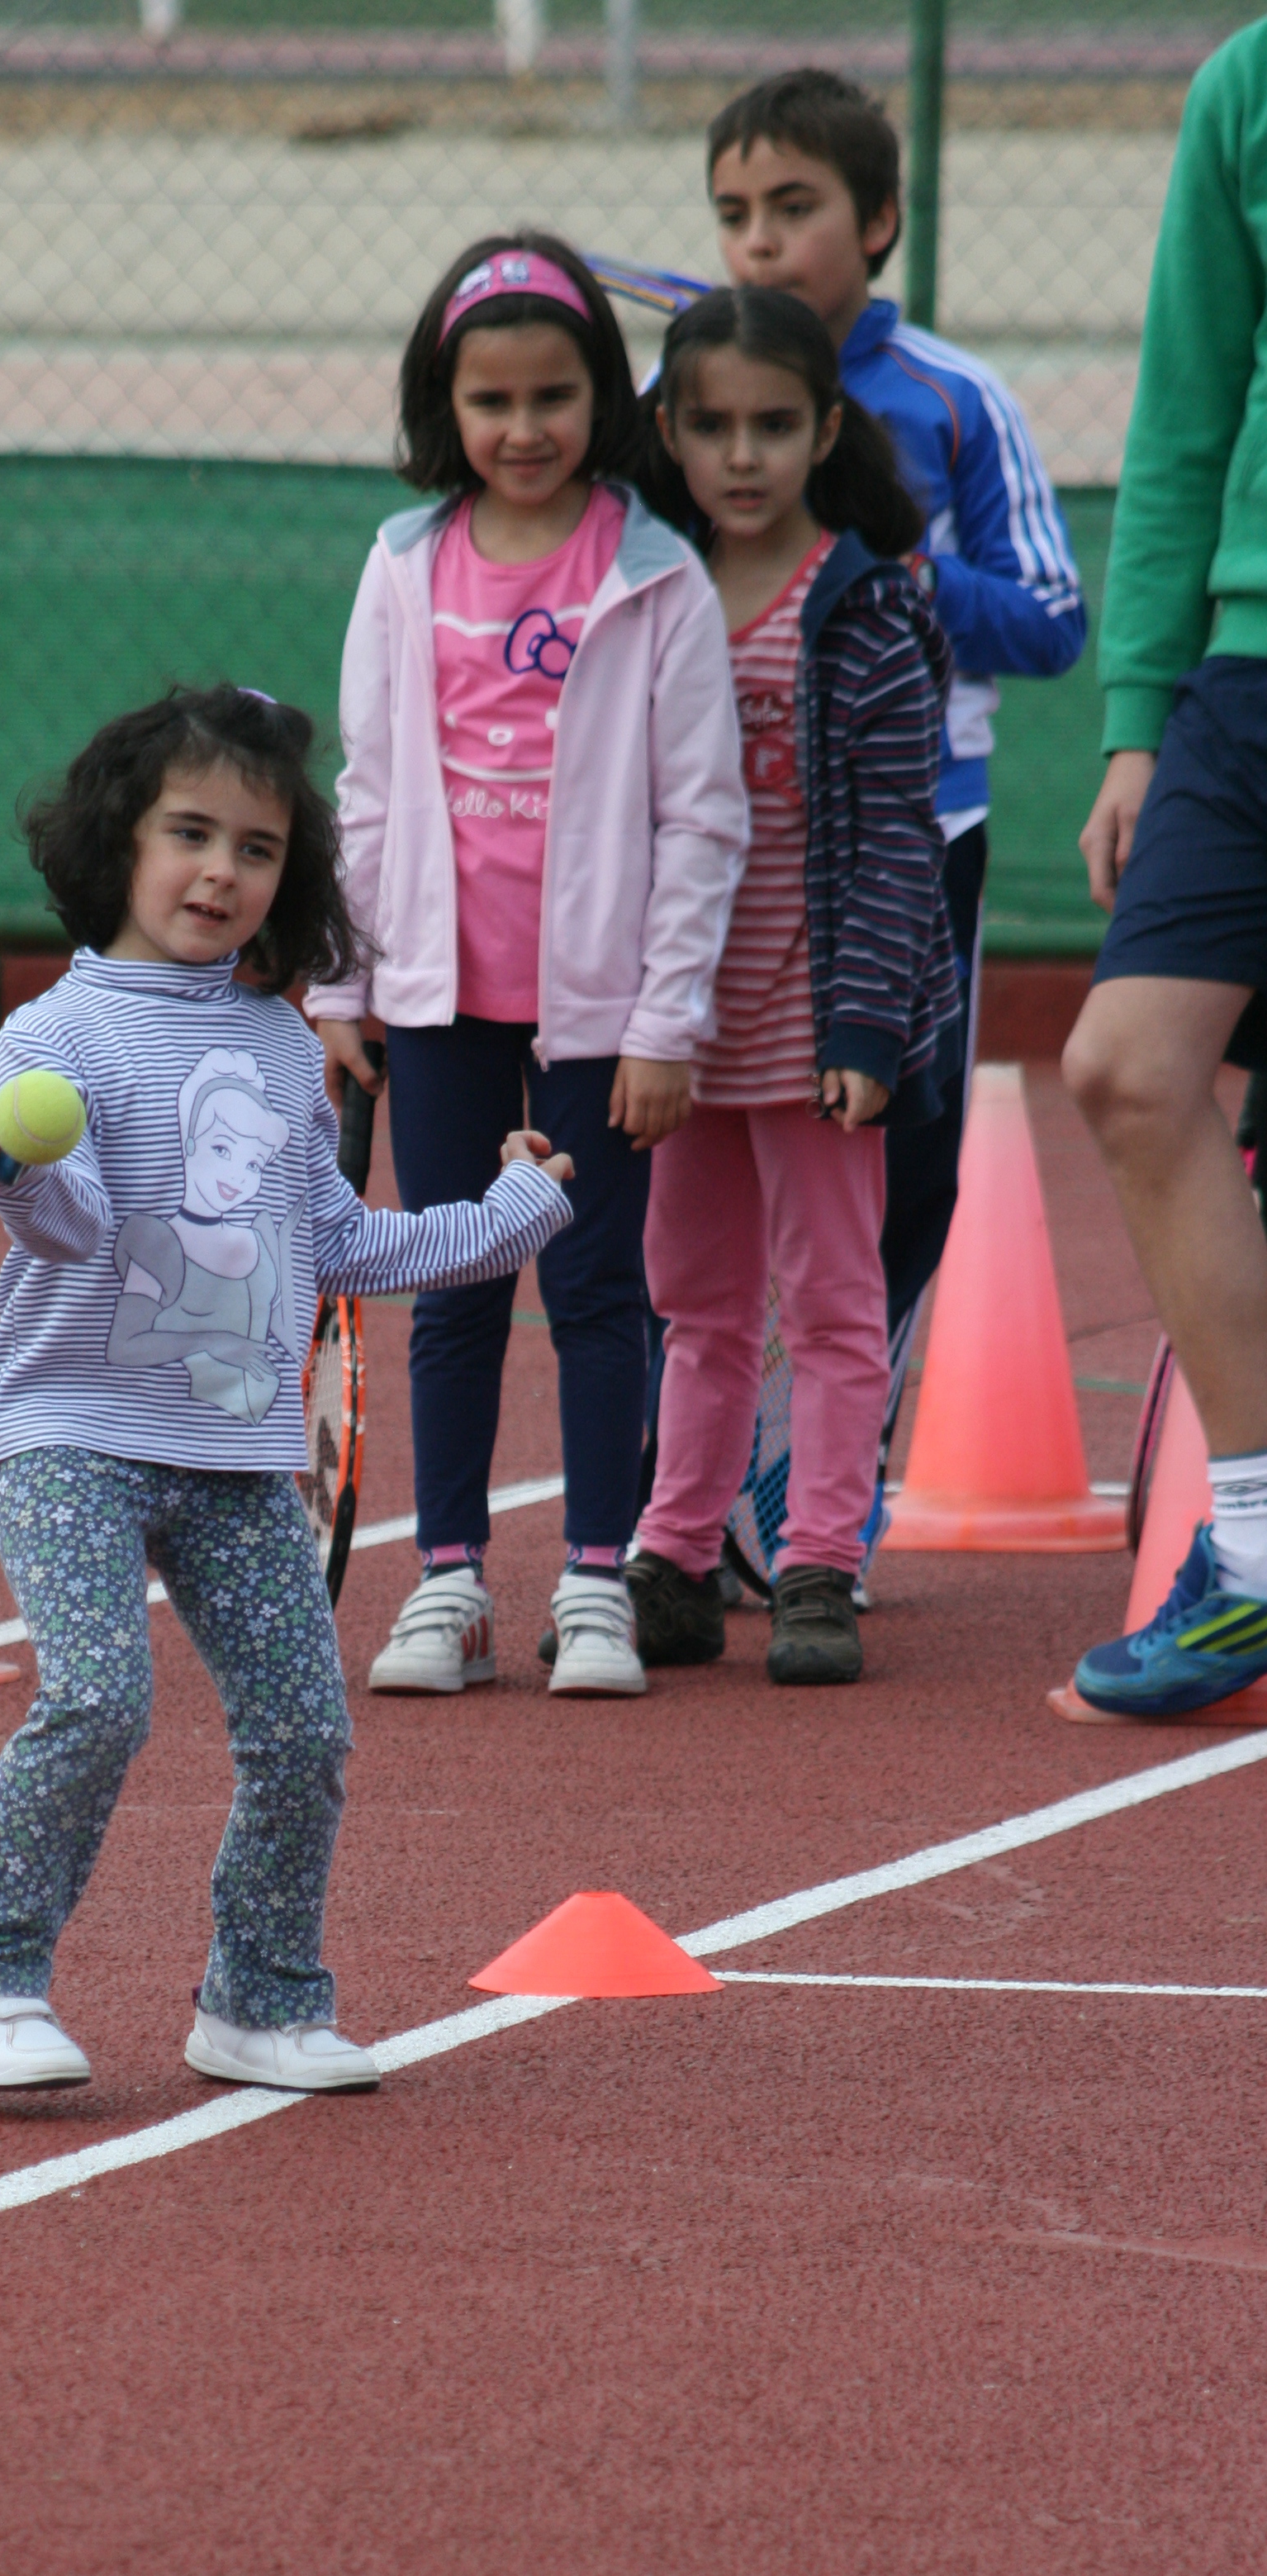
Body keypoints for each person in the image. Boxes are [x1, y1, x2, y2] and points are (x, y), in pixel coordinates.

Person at [0, 685, 576, 2095]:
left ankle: (258, 2002)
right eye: (189, 834)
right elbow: (82, 1226)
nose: (221, 871)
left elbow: (334, 1248)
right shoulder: (55, 1037)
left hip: (237, 1456)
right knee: (99, 1700)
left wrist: (513, 1216)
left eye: (257, 849)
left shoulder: (279, 1046)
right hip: (71, 1433)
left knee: (304, 1732)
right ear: (118, 843)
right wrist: (12, 1175)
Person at [306, 232, 746, 1701]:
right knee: (456, 1288)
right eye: (490, 400)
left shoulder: (658, 575)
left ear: (603, 395)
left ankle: (597, 1582)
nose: (524, 427)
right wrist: (342, 986)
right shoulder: (401, 564)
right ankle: (448, 1586)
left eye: (553, 395)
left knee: (601, 1289)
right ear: (446, 406)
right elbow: (369, 794)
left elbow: (702, 819)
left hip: (601, 1022)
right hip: (437, 1008)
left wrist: (666, 1022)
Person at [705, 68, 1085, 1552]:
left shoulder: (954, 399)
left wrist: (899, 567)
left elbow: (1050, 621)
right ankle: (687, 1505)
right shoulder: (695, 403)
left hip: (916, 843)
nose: (760, 240)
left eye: (794, 207)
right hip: (721, 860)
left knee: (896, 1169)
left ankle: (826, 1502)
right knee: (698, 1181)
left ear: (878, 221)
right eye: (734, 212)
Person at [628, 288, 956, 1688]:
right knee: (694, 1301)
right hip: (683, 1029)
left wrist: (870, 1024)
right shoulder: (647, 594)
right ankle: (673, 1556)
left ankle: (819, 1561)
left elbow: (901, 837)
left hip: (819, 1029)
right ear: (669, 435)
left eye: (774, 425)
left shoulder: (864, 608)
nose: (743, 455)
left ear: (826, 431)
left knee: (831, 1303)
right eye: (713, 427)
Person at [1059, 21, 1267, 1716]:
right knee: (1129, 1069)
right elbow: (1186, 410)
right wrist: (1138, 720)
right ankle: (1259, 1553)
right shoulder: (1244, 85)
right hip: (1247, 672)